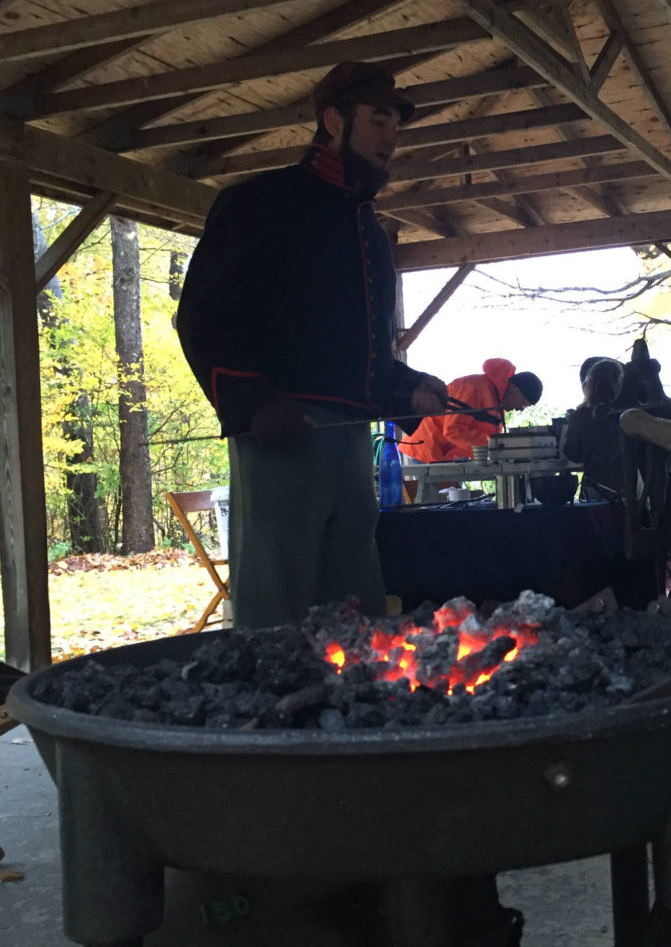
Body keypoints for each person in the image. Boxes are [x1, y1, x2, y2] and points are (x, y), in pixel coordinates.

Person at [175, 61, 448, 631]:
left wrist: (408, 388)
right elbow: (203, 318)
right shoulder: (257, 204)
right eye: (378, 120)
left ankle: (359, 713)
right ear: (332, 120)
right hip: (279, 440)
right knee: (275, 609)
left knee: (357, 612)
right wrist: (253, 407)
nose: (391, 136)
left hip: (351, 448)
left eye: (396, 125)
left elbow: (364, 351)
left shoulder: (371, 234)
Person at [401, 358, 543, 462]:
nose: (520, 410)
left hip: (446, 456)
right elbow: (453, 430)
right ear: (515, 390)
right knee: (433, 502)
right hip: (426, 450)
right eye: (523, 404)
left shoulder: (498, 405)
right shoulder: (473, 388)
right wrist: (492, 450)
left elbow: (485, 440)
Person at [564, 358, 626, 500]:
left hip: (597, 488)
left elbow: (573, 454)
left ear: (590, 383)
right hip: (632, 487)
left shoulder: (581, 416)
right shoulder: (631, 413)